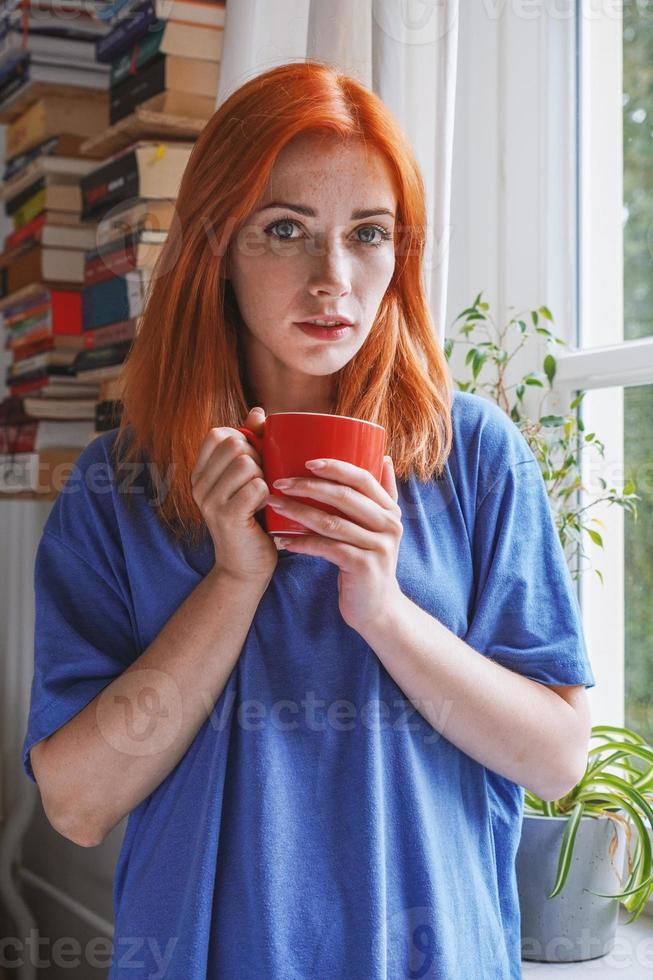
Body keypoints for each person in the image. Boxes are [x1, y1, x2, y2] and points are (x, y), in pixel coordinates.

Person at [21, 61, 595, 980]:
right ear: (217, 247)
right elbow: (78, 803)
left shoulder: (475, 455)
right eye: (284, 230)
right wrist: (233, 580)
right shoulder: (117, 488)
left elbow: (558, 761)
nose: (333, 278)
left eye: (367, 234)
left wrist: (383, 608)